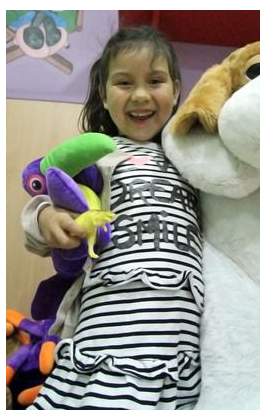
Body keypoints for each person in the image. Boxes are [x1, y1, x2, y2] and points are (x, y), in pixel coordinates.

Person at [22, 26, 204, 410]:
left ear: (175, 90)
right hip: (104, 338)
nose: (140, 95)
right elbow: (46, 200)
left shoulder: (193, 159)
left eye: (155, 81)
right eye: (124, 83)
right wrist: (47, 218)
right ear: (104, 95)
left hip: (182, 344)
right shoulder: (97, 155)